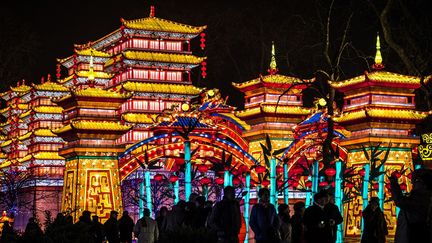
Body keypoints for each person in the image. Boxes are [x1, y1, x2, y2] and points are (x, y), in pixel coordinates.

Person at [391, 169, 432, 243]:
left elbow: (399, 201)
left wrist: (393, 182)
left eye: (417, 181)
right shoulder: (423, 197)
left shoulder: (421, 198)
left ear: (424, 184)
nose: (413, 184)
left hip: (414, 235)